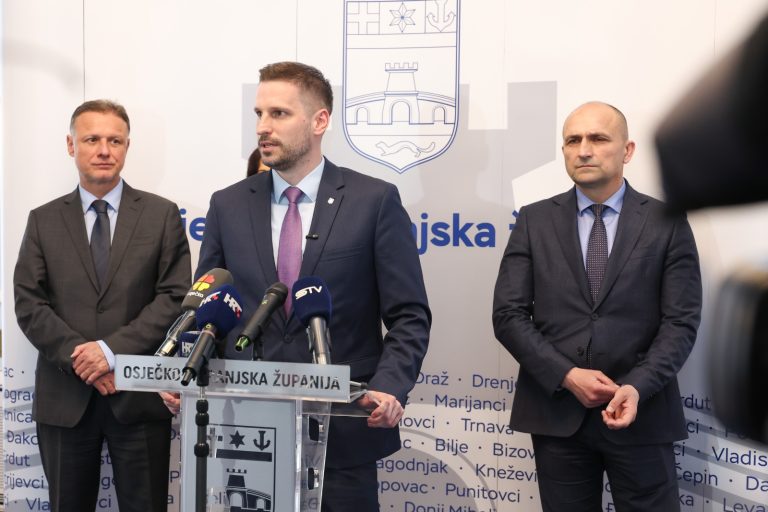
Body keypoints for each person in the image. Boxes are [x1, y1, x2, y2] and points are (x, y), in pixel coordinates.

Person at [162, 61, 431, 511]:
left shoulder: (374, 201)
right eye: (259, 114)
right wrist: (182, 373)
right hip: (243, 433)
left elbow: (409, 315)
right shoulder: (228, 205)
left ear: (319, 120)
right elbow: (208, 305)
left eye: (279, 114)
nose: (263, 127)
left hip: (344, 434)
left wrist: (388, 387)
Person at [492, 101, 702, 511]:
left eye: (598, 138)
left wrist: (636, 387)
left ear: (627, 150)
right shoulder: (534, 220)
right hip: (557, 414)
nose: (584, 150)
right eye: (573, 140)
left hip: (641, 411)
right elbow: (508, 315)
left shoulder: (667, 221)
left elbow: (681, 322)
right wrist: (567, 375)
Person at [13, 99, 191, 512]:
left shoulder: (161, 215)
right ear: (71, 145)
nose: (104, 150)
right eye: (92, 139)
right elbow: (29, 304)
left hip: (138, 396)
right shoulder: (42, 219)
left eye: (115, 140)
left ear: (128, 146)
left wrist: (110, 353)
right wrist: (85, 359)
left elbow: (174, 297)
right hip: (65, 397)